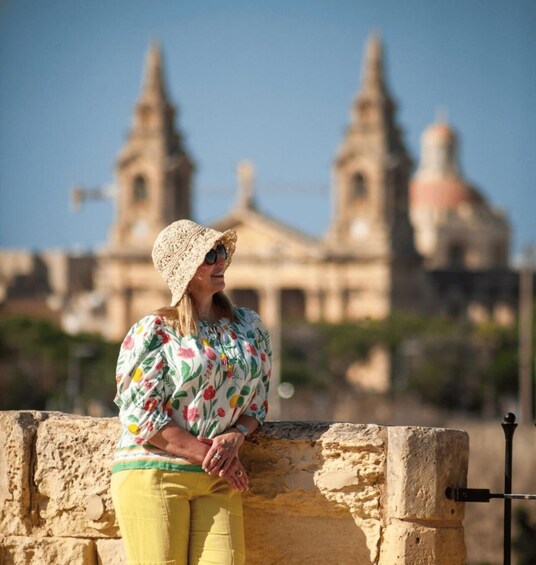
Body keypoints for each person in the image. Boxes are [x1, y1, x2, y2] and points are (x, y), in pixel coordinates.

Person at [111, 219, 272, 565]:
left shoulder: (249, 327)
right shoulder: (155, 331)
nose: (221, 260)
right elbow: (140, 415)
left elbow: (258, 402)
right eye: (209, 255)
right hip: (154, 472)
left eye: (221, 252)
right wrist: (215, 458)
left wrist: (238, 434)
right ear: (185, 270)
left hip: (216, 477)